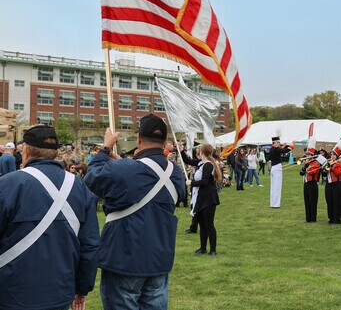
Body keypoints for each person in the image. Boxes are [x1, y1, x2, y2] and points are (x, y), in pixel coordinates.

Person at [84, 114, 186, 310]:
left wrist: (105, 148)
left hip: (124, 257)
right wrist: (122, 163)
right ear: (165, 141)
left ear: (138, 138)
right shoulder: (175, 172)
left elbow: (92, 177)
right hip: (159, 258)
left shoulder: (124, 168)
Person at [0, 125, 99, 310]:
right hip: (59, 293)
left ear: (26, 151)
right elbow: (90, 245)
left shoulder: (7, 185)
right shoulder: (79, 187)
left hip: (10, 294)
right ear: (56, 153)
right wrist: (82, 289)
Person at [188, 144, 221, 255]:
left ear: (202, 152)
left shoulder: (208, 165)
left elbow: (204, 181)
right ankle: (203, 248)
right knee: (202, 224)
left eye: (199, 150)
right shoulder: (200, 163)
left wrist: (191, 183)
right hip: (201, 197)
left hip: (209, 198)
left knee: (209, 224)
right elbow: (187, 160)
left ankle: (213, 250)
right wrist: (181, 150)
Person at [268, 136, 292, 208]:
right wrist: (292, 145)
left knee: (273, 187)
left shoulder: (272, 149)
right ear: (274, 142)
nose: (279, 143)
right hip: (277, 168)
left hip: (273, 168)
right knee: (277, 187)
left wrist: (283, 146)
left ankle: (272, 203)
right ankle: (276, 204)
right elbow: (285, 151)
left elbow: (279, 150)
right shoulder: (275, 149)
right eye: (278, 142)